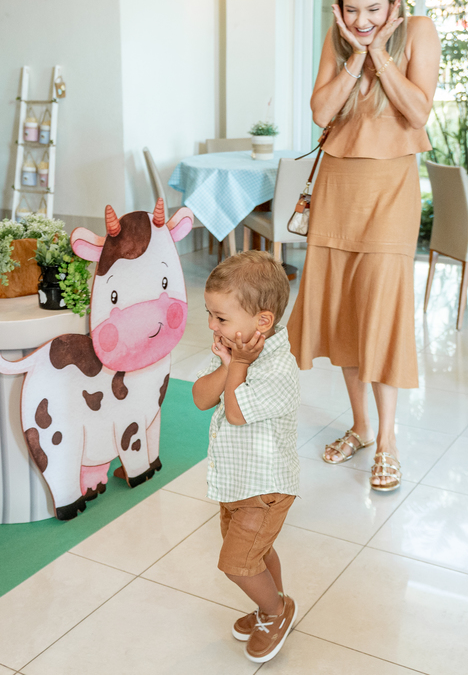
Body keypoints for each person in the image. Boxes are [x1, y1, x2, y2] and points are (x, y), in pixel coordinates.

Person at [288, 0, 441, 491]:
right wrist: (356, 54)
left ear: (394, 4)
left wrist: (379, 52)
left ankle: (388, 441)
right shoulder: (339, 42)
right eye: (351, 10)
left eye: (373, 9)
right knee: (346, 313)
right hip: (338, 187)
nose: (360, 20)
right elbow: (321, 112)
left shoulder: (418, 32)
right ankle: (360, 426)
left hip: (391, 189)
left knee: (381, 310)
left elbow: (418, 112)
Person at [193, 251, 301, 664]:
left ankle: (275, 612)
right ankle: (270, 603)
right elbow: (202, 397)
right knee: (256, 553)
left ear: (263, 321)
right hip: (235, 484)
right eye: (209, 314)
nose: (211, 325)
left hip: (265, 489)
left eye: (221, 317)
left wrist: (237, 363)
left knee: (237, 564)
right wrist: (229, 363)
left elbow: (236, 412)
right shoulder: (230, 347)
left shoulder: (279, 368)